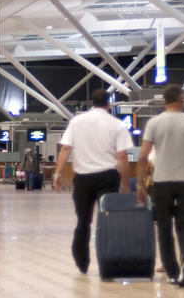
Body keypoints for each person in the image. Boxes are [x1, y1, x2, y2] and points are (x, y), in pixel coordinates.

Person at [137, 84, 184, 288]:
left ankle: (172, 272)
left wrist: (140, 185)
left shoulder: (154, 123)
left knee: (164, 227)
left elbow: (143, 155)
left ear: (164, 100)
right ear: (182, 99)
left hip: (161, 183)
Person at [54, 88, 133, 274]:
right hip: (108, 177)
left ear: (91, 102)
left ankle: (82, 262)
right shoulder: (117, 124)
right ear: (109, 104)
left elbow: (66, 148)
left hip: (83, 178)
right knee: (108, 220)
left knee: (83, 221)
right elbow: (122, 156)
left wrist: (57, 174)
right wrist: (126, 183)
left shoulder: (77, 121)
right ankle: (109, 259)